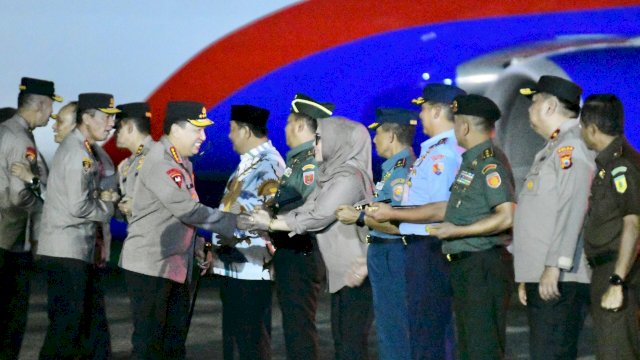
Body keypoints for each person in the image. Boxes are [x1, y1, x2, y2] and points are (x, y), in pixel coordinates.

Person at [241, 116, 375, 360]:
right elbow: (306, 209)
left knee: (350, 346)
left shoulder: (349, 178)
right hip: (343, 273)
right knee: (343, 343)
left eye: (320, 139)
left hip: (355, 271)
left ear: (338, 141)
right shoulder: (332, 176)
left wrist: (271, 223)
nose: (315, 145)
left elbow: (319, 215)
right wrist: (271, 220)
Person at [119, 101, 237, 360]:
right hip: (151, 268)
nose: (203, 137)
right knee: (150, 346)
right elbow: (187, 210)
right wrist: (237, 222)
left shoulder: (182, 162)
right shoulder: (160, 162)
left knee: (173, 345)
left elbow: (180, 215)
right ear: (176, 128)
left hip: (173, 266)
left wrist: (198, 246)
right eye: (197, 130)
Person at [366, 83, 466, 360]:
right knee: (424, 329)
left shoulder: (443, 154)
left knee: (429, 330)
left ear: (436, 111)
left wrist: (393, 214)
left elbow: (440, 209)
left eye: (423, 110)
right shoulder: (434, 151)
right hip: (420, 248)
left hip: (429, 248)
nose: (419, 116)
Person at [513, 75, 594, 360]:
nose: (529, 110)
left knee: (553, 352)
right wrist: (528, 272)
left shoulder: (571, 148)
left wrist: (554, 265)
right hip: (544, 274)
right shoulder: (552, 149)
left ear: (549, 107)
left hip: (560, 276)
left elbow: (574, 207)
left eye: (533, 102)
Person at [429, 94, 515, 359]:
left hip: (482, 265)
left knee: (482, 346)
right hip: (468, 266)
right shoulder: (472, 161)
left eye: (456, 124)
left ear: (464, 127)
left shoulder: (490, 163)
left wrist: (456, 231)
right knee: (469, 346)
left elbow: (506, 216)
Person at [37, 93, 120, 359]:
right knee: (66, 328)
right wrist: (107, 208)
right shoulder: (77, 153)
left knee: (74, 326)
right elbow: (78, 206)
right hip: (67, 251)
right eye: (106, 117)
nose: (111, 124)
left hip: (72, 249)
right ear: (86, 117)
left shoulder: (85, 150)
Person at [336, 107, 416, 360]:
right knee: (388, 329)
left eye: (378, 133)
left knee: (396, 330)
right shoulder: (393, 169)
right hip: (384, 256)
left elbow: (400, 225)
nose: (374, 139)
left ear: (391, 136)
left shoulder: (403, 171)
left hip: (395, 256)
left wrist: (359, 217)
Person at [209, 104, 285, 360]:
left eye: (232, 129)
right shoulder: (249, 164)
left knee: (251, 342)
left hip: (250, 269)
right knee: (236, 342)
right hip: (234, 266)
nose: (229, 135)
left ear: (245, 130)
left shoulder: (269, 165)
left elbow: (269, 215)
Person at [0, 77, 60, 360]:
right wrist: (44, 207)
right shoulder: (21, 139)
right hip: (10, 241)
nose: (51, 115)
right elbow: (17, 195)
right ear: (41, 104)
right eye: (50, 107)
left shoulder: (6, 131)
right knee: (11, 322)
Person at [271, 93, 332, 360]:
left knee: (299, 329)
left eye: (287, 123)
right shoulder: (297, 161)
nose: (284, 129)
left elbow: (310, 210)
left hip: (301, 253)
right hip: (292, 253)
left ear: (298, 126)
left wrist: (272, 219)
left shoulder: (309, 163)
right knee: (294, 327)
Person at [579, 94, 640, 359]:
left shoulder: (621, 166)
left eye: (582, 127)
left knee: (617, 350)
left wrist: (617, 281)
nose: (581, 133)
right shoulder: (608, 164)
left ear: (592, 128)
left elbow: (633, 223)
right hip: (607, 270)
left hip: (618, 271)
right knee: (609, 348)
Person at [114, 102, 154, 221]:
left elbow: (177, 203)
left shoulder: (160, 156)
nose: (115, 134)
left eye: (117, 128)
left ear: (129, 127)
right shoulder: (126, 165)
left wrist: (138, 207)